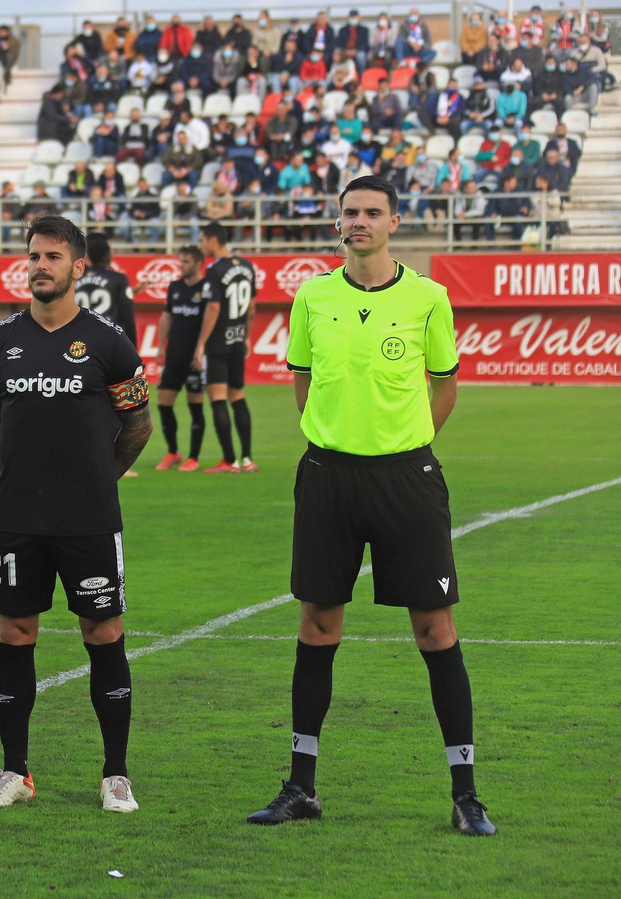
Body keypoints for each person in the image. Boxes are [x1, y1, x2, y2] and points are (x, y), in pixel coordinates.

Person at [248, 175, 495, 837]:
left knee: (434, 629)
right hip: (327, 476)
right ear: (339, 223)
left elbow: (444, 386)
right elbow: (303, 384)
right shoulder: (312, 296)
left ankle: (466, 793)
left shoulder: (428, 298)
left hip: (406, 479)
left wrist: (402, 446)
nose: (359, 222)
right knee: (317, 625)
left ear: (394, 221)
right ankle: (300, 785)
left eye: (371, 213)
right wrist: (341, 442)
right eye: (350, 212)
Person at [0, 214, 152, 810]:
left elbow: (138, 425)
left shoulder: (109, 342)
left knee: (103, 633)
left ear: (78, 267)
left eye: (52, 257)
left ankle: (116, 775)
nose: (39, 266)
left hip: (90, 519)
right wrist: (25, 472)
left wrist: (99, 477)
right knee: (15, 632)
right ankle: (14, 773)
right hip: (18, 518)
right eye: (33, 256)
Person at [191, 222, 258, 472]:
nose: (201, 246)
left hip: (218, 342)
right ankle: (248, 459)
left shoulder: (215, 270)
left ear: (212, 240)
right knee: (238, 397)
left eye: (202, 240)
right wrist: (248, 337)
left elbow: (214, 307)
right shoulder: (247, 266)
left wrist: (201, 345)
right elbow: (251, 306)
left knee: (218, 398)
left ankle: (229, 460)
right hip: (238, 339)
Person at [151, 246, 209, 472]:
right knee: (164, 404)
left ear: (197, 263)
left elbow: (210, 320)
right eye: (180, 261)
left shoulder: (206, 289)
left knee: (195, 406)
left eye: (185, 262)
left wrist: (201, 351)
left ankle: (193, 457)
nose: (181, 266)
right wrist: (159, 347)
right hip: (174, 354)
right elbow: (166, 317)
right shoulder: (175, 287)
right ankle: (173, 452)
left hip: (194, 357)